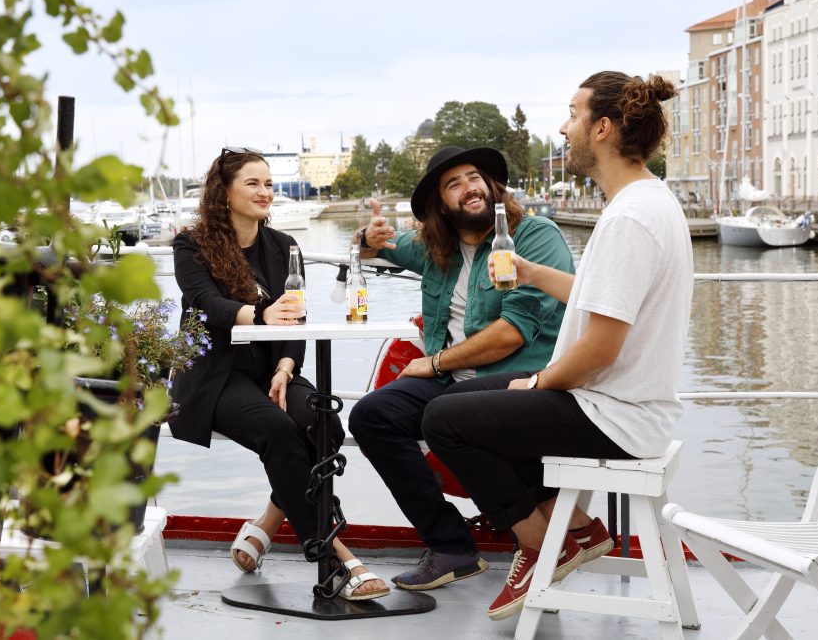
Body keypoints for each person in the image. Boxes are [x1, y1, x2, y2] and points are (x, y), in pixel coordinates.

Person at [421, 71, 692, 621]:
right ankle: (570, 530)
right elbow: (600, 298)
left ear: (603, 129)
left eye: (573, 114)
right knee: (463, 407)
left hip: (617, 413)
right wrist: (528, 272)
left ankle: (546, 543)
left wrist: (540, 381)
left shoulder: (629, 220)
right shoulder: (645, 201)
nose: (564, 127)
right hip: (624, 404)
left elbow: (599, 350)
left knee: (444, 421)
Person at [348, 146, 575, 590]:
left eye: (474, 177)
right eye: (453, 183)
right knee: (371, 417)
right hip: (452, 381)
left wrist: (432, 362)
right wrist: (365, 239)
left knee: (451, 411)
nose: (469, 187)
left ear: (492, 186)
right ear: (440, 205)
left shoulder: (534, 236)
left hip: (525, 381)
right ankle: (451, 544)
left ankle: (547, 538)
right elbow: (375, 248)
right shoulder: (437, 245)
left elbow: (513, 332)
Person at [170, 147, 388, 601]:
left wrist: (287, 369)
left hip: (274, 370)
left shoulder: (285, 246)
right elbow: (207, 305)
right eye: (252, 183)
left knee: (323, 421)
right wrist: (261, 314)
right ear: (224, 192)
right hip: (217, 375)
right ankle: (335, 555)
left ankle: (270, 520)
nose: (265, 192)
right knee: (278, 431)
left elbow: (298, 321)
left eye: (269, 183)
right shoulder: (191, 245)